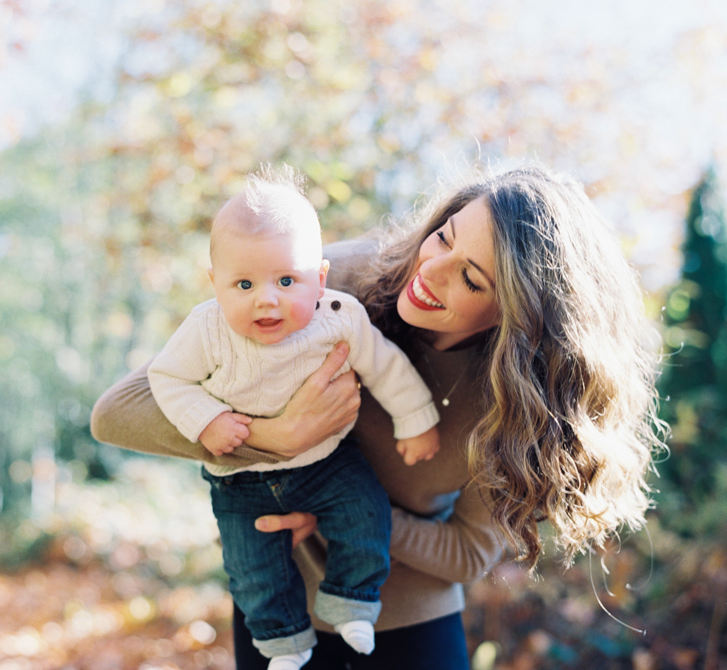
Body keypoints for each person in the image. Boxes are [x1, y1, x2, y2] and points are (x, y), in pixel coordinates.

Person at [92, 163, 665, 670]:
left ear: (520, 316)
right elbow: (119, 412)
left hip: (414, 618)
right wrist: (274, 438)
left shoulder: (515, 402)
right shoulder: (328, 286)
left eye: (470, 278)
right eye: (443, 237)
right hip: (280, 605)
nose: (432, 270)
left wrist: (343, 515)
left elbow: (468, 553)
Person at [146, 164, 441, 670]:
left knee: (365, 514)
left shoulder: (338, 317)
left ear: (319, 279)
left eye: (287, 280)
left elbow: (385, 365)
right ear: (214, 284)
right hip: (240, 479)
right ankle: (283, 641)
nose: (266, 298)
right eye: (243, 284)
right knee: (252, 567)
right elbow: (167, 378)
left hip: (328, 460)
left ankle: (352, 599)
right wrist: (208, 419)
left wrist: (416, 418)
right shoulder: (206, 330)